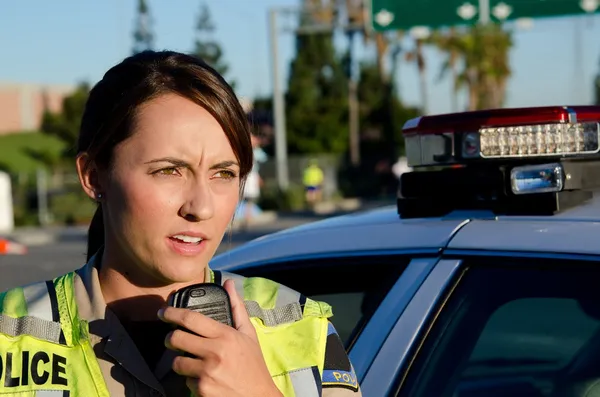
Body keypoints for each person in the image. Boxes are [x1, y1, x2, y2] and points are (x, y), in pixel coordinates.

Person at [0, 51, 362, 397]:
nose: (201, 207)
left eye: (223, 173)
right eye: (169, 170)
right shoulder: (9, 335)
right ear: (94, 176)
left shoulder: (300, 325)